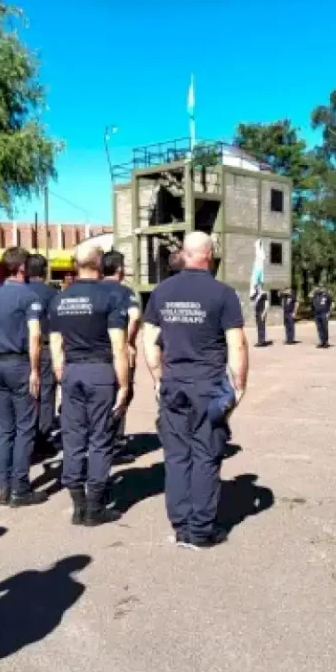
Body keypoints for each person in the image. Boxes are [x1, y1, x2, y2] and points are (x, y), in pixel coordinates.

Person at [142, 231, 249, 550]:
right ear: (209, 254)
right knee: (205, 456)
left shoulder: (161, 292)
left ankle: (181, 525)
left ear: (185, 254)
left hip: (174, 383)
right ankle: (200, 530)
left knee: (176, 456)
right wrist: (238, 386)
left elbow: (149, 342)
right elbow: (237, 344)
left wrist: (158, 379)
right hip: (208, 386)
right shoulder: (223, 293)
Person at [50, 246, 129, 525]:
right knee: (99, 439)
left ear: (76, 263)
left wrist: (62, 375)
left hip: (72, 371)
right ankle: (95, 506)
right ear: (99, 264)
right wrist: (124, 384)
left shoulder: (60, 298)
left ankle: (78, 505)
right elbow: (119, 345)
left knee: (72, 438)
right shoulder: (110, 296)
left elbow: (56, 344)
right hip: (99, 370)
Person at [0, 247, 46, 507]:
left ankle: (4, 486)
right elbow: (35, 335)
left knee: (4, 427)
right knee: (25, 427)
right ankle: (20, 487)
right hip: (19, 364)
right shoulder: (28, 296)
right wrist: (35, 370)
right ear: (23, 267)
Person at [101, 250, 141, 464]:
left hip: (97, 353)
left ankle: (100, 440)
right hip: (119, 351)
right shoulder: (125, 292)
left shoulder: (94, 291)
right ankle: (115, 443)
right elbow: (135, 317)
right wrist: (130, 341)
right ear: (119, 269)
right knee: (122, 394)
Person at [26, 253, 58, 455]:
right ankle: (43, 437)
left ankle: (27, 435)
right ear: (45, 271)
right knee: (46, 394)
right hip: (45, 347)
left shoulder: (20, 292)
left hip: (23, 349)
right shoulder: (53, 294)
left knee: (27, 394)